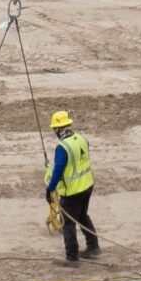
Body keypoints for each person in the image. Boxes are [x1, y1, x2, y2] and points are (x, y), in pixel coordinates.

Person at [44, 110, 99, 264]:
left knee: (68, 223)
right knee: (82, 216)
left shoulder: (62, 147)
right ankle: (93, 246)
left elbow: (59, 170)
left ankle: (72, 257)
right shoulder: (81, 139)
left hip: (73, 191)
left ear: (57, 129)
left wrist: (50, 189)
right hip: (87, 185)